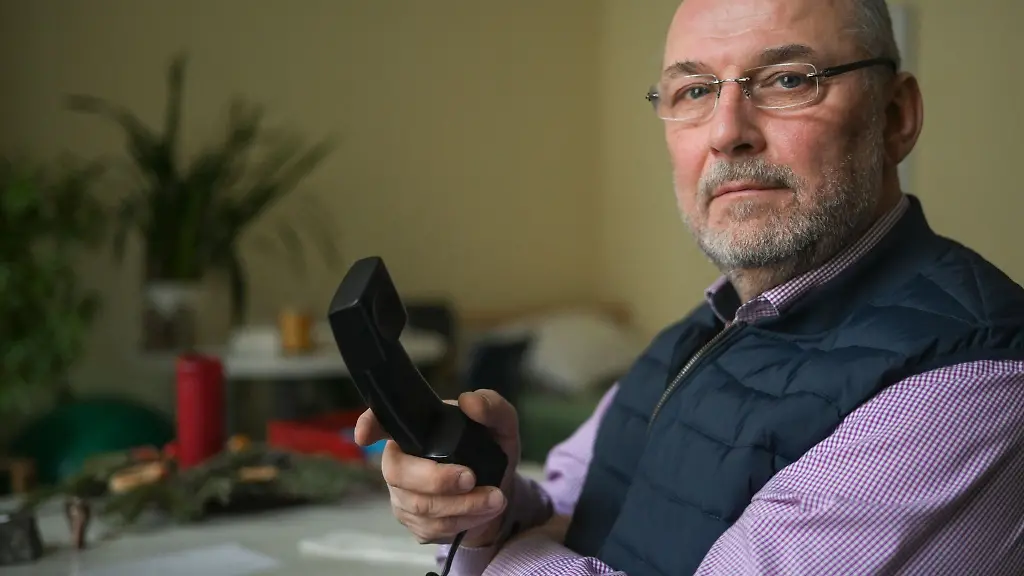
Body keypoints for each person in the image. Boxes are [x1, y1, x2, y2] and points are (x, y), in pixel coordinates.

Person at [355, 0, 1024, 573]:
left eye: (788, 79)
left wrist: (493, 554)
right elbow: (572, 510)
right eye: (695, 92)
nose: (728, 133)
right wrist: (486, 504)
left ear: (896, 116)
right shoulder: (705, 331)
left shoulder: (971, 371)